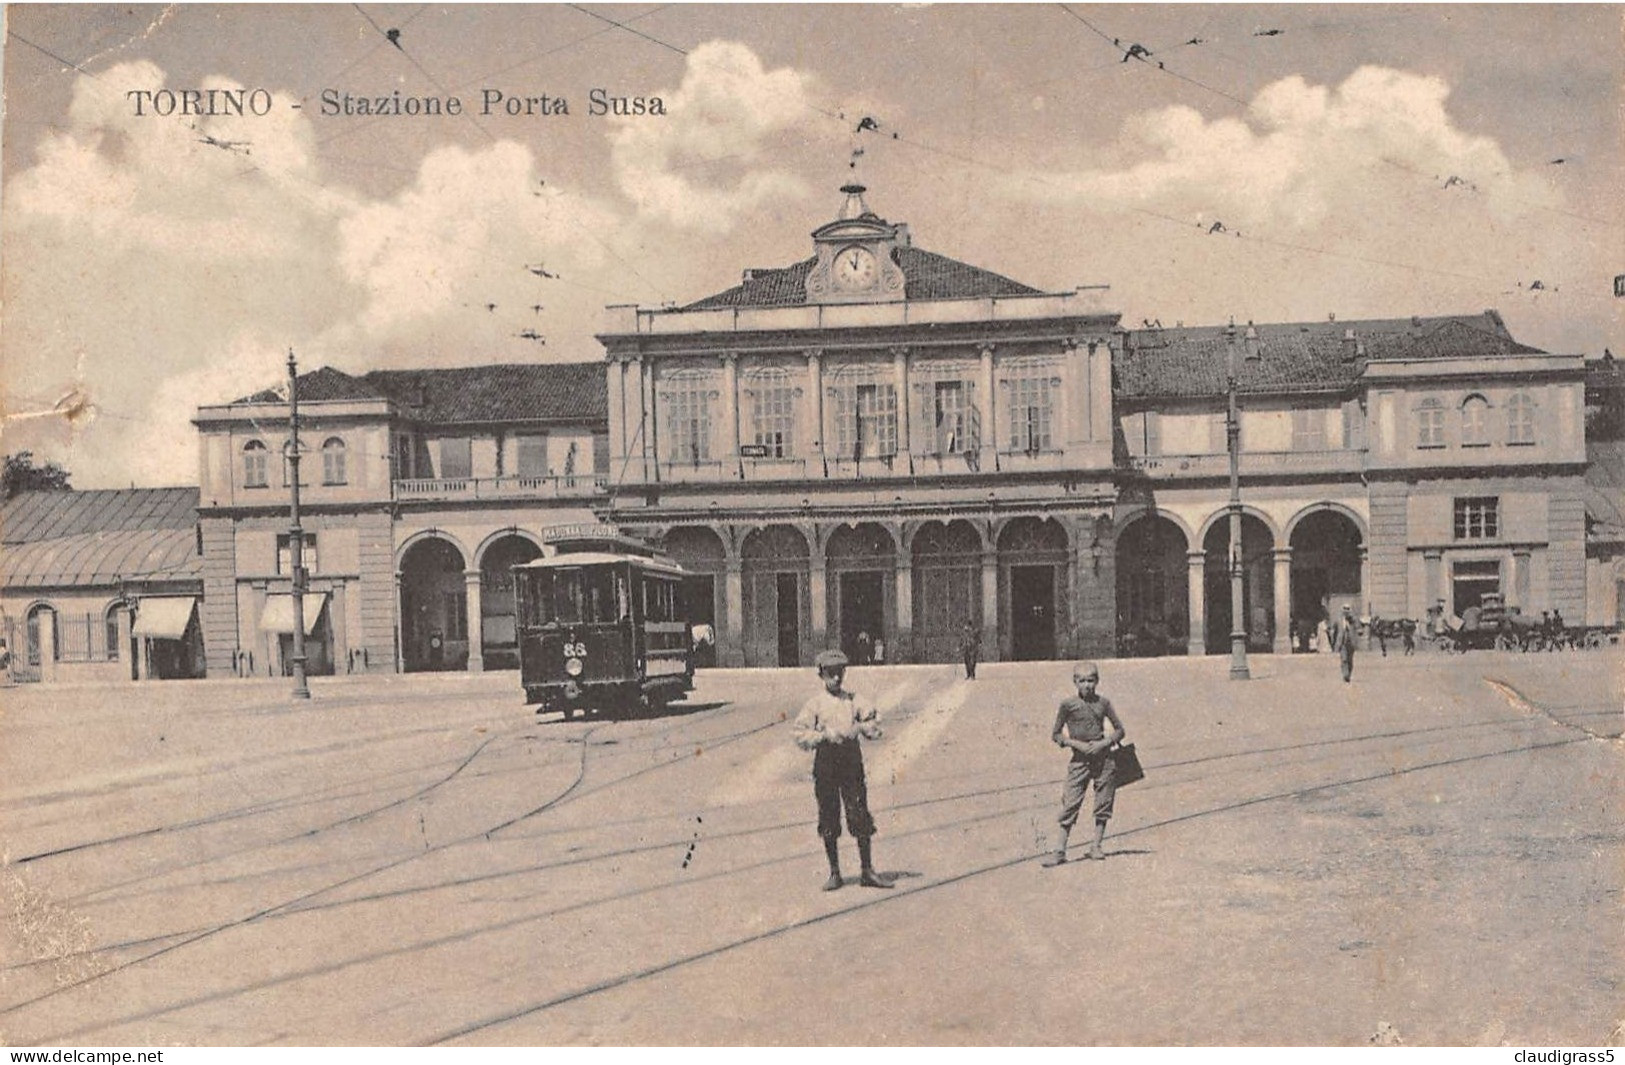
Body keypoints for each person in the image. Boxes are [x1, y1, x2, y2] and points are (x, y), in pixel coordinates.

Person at [792, 650, 893, 891]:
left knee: (859, 812)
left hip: (850, 763)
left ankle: (867, 870)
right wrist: (823, 735)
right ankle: (834, 872)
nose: (836, 679)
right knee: (828, 814)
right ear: (821, 675)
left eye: (840, 673)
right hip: (826, 763)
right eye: (831, 674)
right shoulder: (814, 704)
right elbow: (798, 733)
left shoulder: (854, 700)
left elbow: (875, 721)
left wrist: (858, 727)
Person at [1042, 662, 1126, 866]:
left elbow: (1119, 730)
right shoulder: (1067, 705)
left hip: (1103, 758)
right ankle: (1060, 850)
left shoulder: (1104, 703)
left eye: (1091, 680)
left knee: (1103, 802)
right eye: (1082, 681)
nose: (1087, 685)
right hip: (1079, 760)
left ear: (1097, 681)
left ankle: (1096, 845)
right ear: (1075, 682)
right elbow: (1056, 734)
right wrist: (1075, 744)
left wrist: (1104, 743)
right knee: (1070, 802)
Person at [1330, 604, 1359, 683]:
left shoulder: (1353, 620)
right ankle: (1345, 674)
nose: (1346, 611)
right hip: (1342, 642)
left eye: (1348, 609)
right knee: (1344, 659)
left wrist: (1352, 620)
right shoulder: (1338, 620)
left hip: (1351, 642)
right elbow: (1334, 630)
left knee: (1350, 660)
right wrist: (1334, 642)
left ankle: (1349, 674)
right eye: (1344, 609)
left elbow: (1358, 627)